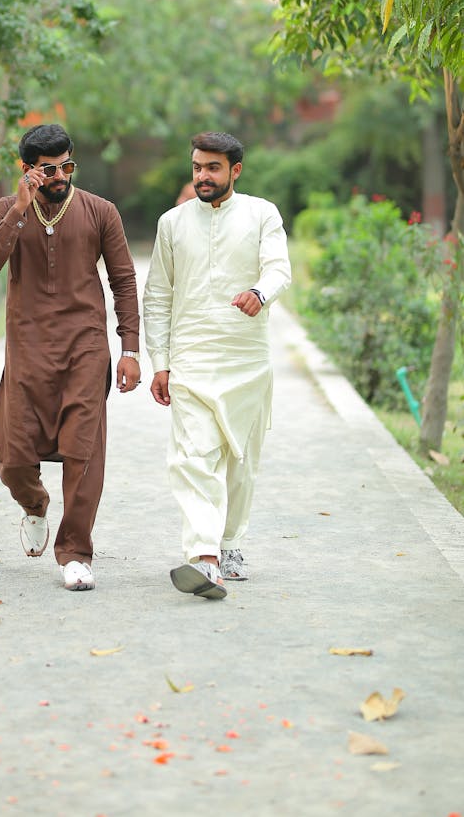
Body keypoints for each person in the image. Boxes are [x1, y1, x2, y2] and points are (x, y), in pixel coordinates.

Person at [0, 123, 141, 592]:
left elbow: (124, 280)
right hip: (26, 349)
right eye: (49, 169)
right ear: (27, 169)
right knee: (12, 457)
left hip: (85, 346)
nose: (61, 175)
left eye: (67, 165)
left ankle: (76, 553)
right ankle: (34, 505)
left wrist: (129, 348)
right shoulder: (6, 210)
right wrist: (19, 213)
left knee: (83, 451)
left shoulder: (100, 211)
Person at [143, 131, 291, 600]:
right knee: (193, 455)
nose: (202, 176)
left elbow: (279, 268)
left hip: (245, 356)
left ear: (235, 171)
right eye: (196, 168)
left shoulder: (262, 213)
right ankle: (204, 557)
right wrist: (160, 361)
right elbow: (159, 295)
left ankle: (229, 545)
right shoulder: (172, 223)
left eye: (212, 168)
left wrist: (259, 293)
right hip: (190, 356)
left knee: (239, 461)